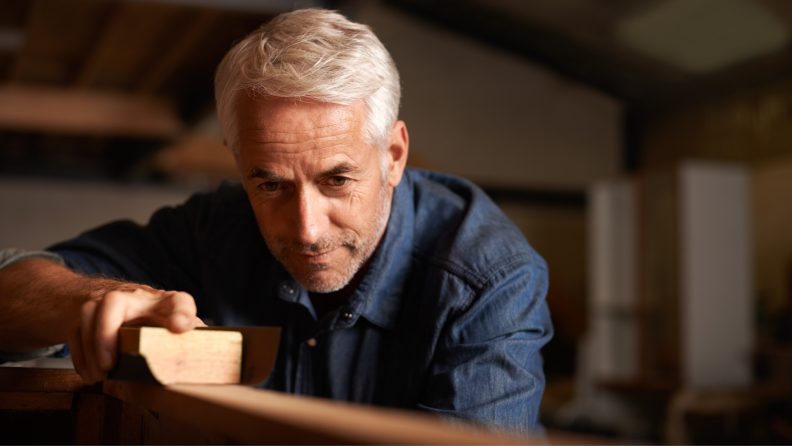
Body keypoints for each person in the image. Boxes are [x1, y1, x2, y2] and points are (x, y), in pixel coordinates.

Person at [0, 8, 552, 435]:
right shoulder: (216, 227)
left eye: (337, 179)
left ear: (394, 155)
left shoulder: (489, 280)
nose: (306, 228)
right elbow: (10, 288)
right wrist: (92, 301)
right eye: (270, 184)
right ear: (237, 161)